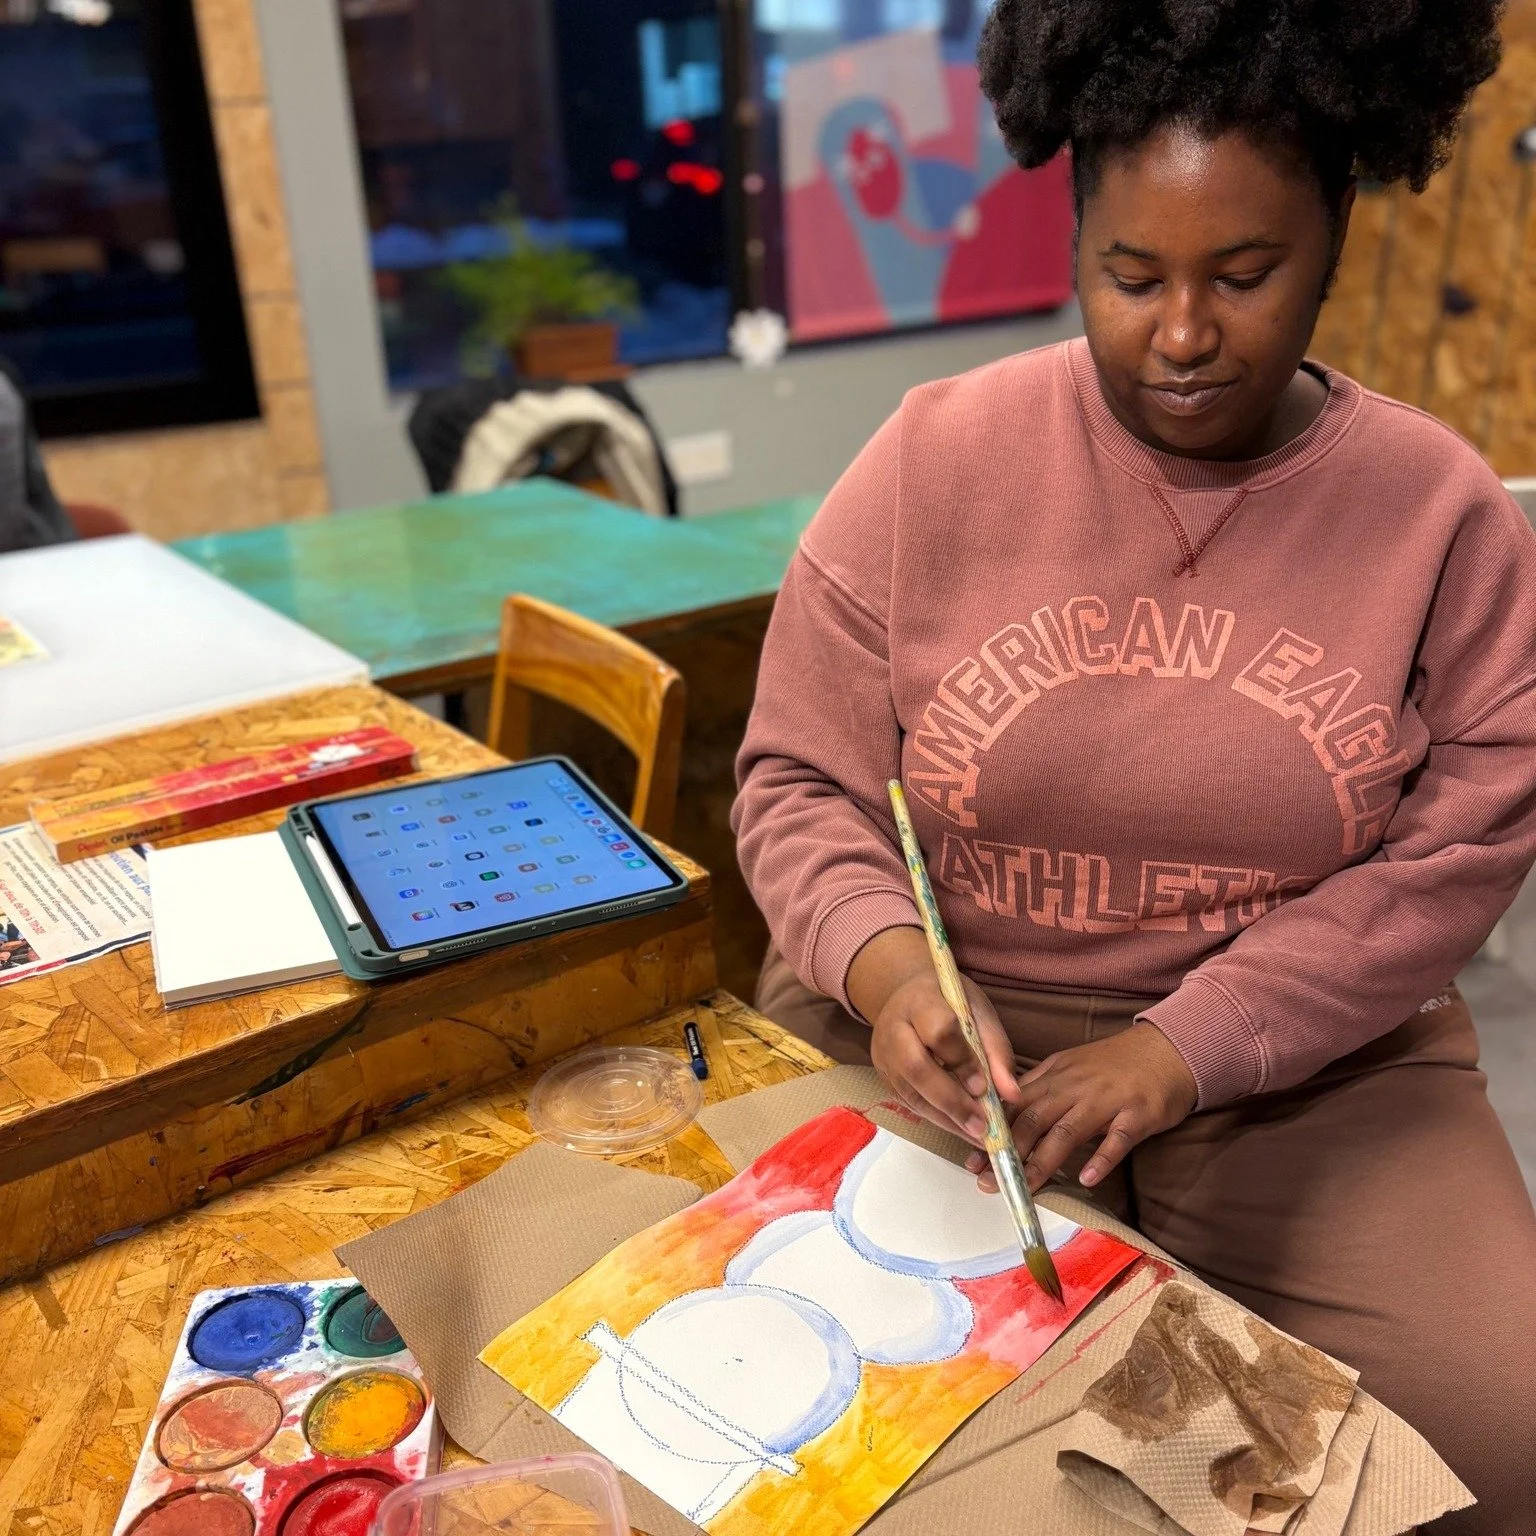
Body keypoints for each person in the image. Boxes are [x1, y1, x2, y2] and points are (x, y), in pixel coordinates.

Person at [732, 2, 1533, 1531]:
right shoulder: (929, 457)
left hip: (1310, 1065)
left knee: (1511, 1440)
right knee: (884, 1457)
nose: (1181, 333)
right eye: (1131, 275)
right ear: (1074, 242)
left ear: (1335, 242)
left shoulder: (1440, 515)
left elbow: (1461, 854)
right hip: (961, 1053)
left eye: (1244, 275)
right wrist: (896, 977)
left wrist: (1186, 1046)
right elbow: (796, 783)